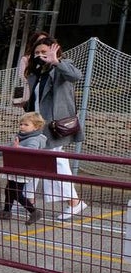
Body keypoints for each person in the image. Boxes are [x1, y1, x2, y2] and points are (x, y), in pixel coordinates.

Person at [26, 37, 87, 220]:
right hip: (37, 124)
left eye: (44, 52)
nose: (40, 55)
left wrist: (56, 62)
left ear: (55, 51)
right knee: (34, 160)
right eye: (37, 52)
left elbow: (76, 76)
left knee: (56, 162)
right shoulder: (37, 72)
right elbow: (37, 100)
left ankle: (74, 202)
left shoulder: (62, 66)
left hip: (53, 126)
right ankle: (28, 201)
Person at [0, 112, 47, 225]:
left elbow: (32, 150)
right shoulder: (20, 136)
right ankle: (6, 211)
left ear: (36, 127)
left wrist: (19, 147)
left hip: (23, 169)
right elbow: (9, 147)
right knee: (9, 190)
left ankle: (34, 212)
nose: (22, 126)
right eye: (21, 124)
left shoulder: (35, 139)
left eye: (26, 125)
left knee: (16, 193)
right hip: (15, 167)